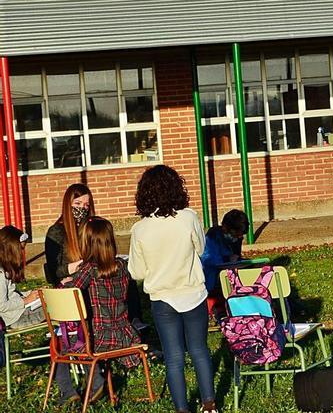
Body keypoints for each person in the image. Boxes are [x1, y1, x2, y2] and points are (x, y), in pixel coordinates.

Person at [127, 165, 217, 413]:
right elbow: (200, 249)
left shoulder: (140, 229)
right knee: (199, 350)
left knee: (174, 357)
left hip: (163, 299)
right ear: (177, 188)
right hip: (193, 293)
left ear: (144, 193)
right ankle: (209, 404)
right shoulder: (189, 217)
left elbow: (136, 272)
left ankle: (182, 408)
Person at [58, 217, 142, 406]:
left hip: (100, 338)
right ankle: (96, 382)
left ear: (86, 243)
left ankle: (77, 389)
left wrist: (67, 282)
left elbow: (71, 292)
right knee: (86, 336)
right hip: (124, 334)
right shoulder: (122, 266)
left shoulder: (88, 269)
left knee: (64, 343)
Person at [44, 184, 144, 328]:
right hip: (74, 282)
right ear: (68, 205)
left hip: (94, 274)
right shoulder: (56, 232)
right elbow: (54, 272)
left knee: (124, 276)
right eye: (78, 204)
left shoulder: (90, 226)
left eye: (86, 205)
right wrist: (72, 267)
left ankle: (133, 321)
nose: (82, 209)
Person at [201, 209, 248, 319]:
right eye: (236, 234)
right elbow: (209, 259)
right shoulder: (212, 237)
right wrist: (228, 259)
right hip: (213, 277)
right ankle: (218, 309)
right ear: (225, 228)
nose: (239, 237)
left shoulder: (236, 238)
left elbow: (236, 255)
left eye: (241, 235)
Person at [0, 226, 43, 330]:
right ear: (11, 249)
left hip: (18, 313)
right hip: (14, 319)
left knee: (51, 303)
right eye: (21, 249)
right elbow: (2, 305)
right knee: (55, 308)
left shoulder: (5, 268)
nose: (22, 253)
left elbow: (11, 294)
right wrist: (26, 300)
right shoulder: (1, 274)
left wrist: (32, 294)